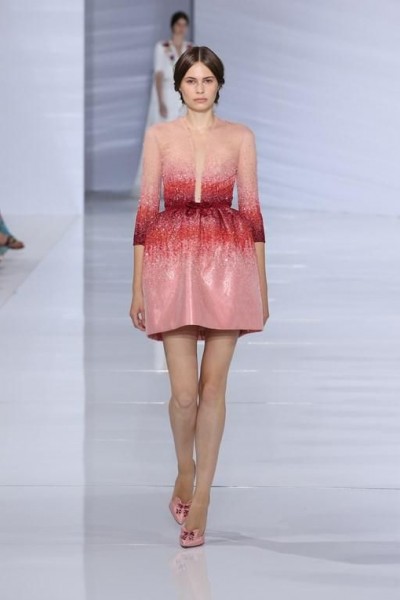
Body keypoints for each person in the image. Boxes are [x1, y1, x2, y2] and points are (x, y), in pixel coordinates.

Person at [129, 46, 269, 548]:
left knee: (213, 390)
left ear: (219, 85)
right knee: (185, 394)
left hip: (228, 267)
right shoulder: (159, 137)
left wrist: (261, 286)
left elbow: (252, 214)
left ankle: (203, 495)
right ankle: (184, 469)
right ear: (179, 86)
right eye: (192, 80)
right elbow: (146, 213)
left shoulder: (241, 137)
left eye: (208, 80)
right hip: (170, 266)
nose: (200, 88)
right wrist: (137, 285)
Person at [132, 11, 192, 196]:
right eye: (179, 24)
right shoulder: (162, 47)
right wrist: (160, 101)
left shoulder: (190, 48)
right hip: (166, 94)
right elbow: (158, 74)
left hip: (182, 98)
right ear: (173, 26)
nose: (181, 28)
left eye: (184, 25)